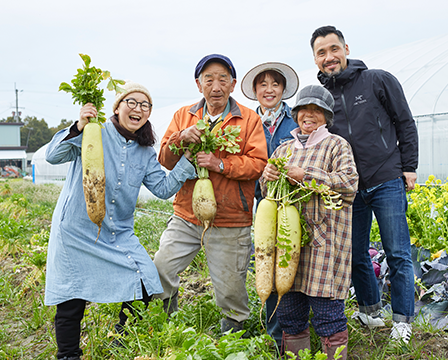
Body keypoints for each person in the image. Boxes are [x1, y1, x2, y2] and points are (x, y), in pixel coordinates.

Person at [44, 81, 197, 360]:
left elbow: (163, 189)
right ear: (117, 107)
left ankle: (121, 338)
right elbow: (53, 156)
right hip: (76, 230)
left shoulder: (145, 151)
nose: (138, 109)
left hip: (118, 233)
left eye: (145, 105)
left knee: (145, 280)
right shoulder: (94, 131)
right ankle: (68, 355)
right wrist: (78, 125)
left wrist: (187, 160)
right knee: (71, 299)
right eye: (132, 102)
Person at [310, 25, 419, 344]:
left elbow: (405, 121)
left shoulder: (377, 80)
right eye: (321, 53)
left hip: (386, 178)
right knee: (354, 252)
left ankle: (402, 320)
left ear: (346, 48)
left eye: (333, 49)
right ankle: (371, 310)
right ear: (315, 59)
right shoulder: (321, 98)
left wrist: (408, 166)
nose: (329, 57)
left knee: (397, 252)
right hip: (349, 188)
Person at [153, 54, 267, 333]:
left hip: (230, 217)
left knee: (230, 285)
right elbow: (165, 159)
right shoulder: (183, 116)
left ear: (233, 84)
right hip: (187, 214)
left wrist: (221, 164)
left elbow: (258, 164)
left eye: (222, 79)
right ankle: (168, 320)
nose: (216, 86)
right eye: (209, 79)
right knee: (161, 267)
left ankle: (234, 331)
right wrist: (181, 138)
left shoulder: (249, 119)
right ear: (198, 84)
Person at [261, 85, 358, 360]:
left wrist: (306, 174)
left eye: (317, 111)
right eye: (304, 109)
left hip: (325, 246)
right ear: (296, 114)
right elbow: (270, 197)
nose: (309, 115)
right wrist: (267, 177)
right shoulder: (283, 149)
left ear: (326, 116)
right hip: (287, 247)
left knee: (328, 314)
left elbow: (349, 185)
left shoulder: (337, 145)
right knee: (289, 312)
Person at [241, 61, 299, 351]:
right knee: (266, 263)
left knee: (288, 264)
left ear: (283, 89)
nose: (269, 89)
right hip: (261, 203)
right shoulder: (246, 122)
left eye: (275, 84)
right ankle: (276, 334)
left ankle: (293, 330)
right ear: (254, 90)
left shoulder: (297, 121)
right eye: (263, 84)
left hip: (292, 203)